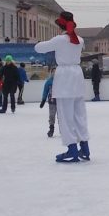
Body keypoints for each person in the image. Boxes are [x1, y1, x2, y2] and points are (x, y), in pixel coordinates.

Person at [35, 12, 91, 163]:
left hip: (65, 76)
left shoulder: (59, 40)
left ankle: (72, 149)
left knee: (65, 115)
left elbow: (38, 48)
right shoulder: (80, 39)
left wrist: (41, 41)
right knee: (79, 114)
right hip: (77, 75)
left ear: (60, 25)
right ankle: (84, 147)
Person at [40, 67, 58, 138]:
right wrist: (43, 100)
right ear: (51, 73)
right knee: (52, 116)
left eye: (56, 72)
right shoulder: (49, 82)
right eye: (53, 72)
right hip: (52, 102)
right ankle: (51, 129)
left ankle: (63, 130)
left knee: (61, 117)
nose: (54, 73)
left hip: (60, 102)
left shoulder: (61, 81)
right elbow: (45, 91)